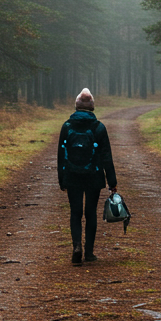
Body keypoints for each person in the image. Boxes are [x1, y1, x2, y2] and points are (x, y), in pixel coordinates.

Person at [57, 88, 117, 265]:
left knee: (75, 213)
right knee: (90, 213)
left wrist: (62, 178)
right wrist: (112, 182)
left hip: (72, 176)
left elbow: (61, 155)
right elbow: (106, 156)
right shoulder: (99, 127)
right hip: (94, 176)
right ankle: (89, 253)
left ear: (76, 106)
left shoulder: (67, 126)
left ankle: (76, 247)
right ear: (92, 107)